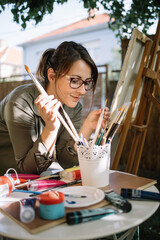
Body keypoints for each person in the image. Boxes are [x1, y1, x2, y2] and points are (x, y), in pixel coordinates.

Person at [0, 41, 110, 174]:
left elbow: (66, 162)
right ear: (52, 75)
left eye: (87, 82)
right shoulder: (19, 102)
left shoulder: (73, 108)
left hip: (27, 185)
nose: (83, 91)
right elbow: (28, 170)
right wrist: (51, 129)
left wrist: (87, 128)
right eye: (75, 81)